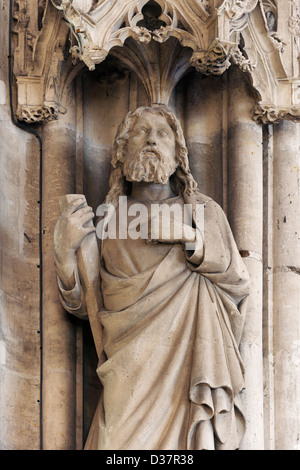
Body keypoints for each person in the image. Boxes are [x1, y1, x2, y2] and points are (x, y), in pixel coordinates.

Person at [54, 104, 250, 450]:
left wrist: (187, 236)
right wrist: (64, 253)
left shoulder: (201, 212)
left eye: (162, 134)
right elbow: (84, 305)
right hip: (126, 366)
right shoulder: (108, 221)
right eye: (141, 132)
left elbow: (237, 282)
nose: (151, 141)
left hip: (189, 363)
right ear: (121, 152)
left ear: (178, 156)